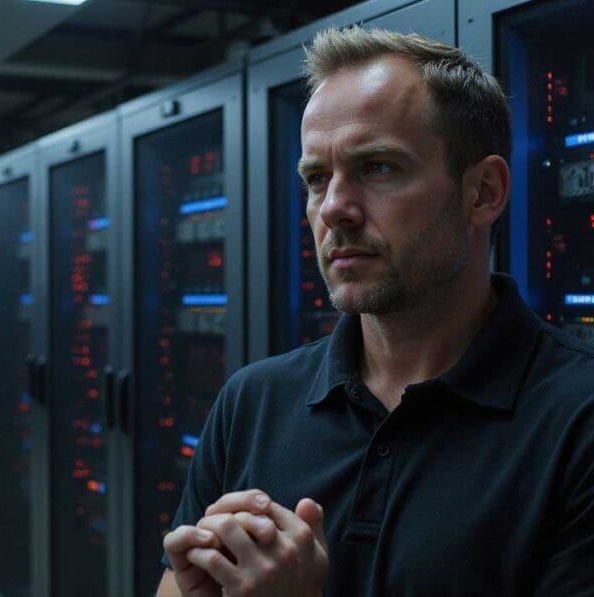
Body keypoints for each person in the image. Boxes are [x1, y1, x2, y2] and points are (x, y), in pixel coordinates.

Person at [158, 26, 594, 597]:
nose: (334, 208)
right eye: (317, 178)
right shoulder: (253, 400)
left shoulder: (577, 417)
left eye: (378, 168)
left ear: (483, 191)